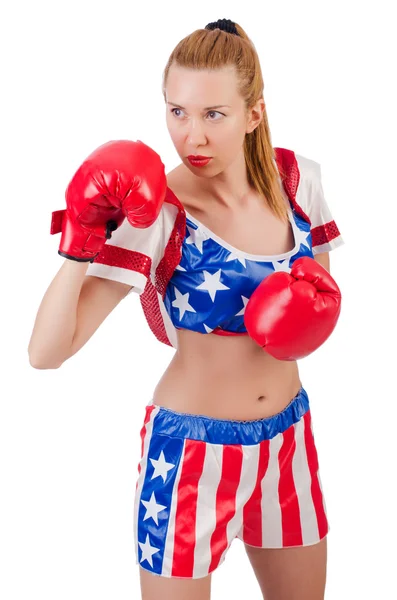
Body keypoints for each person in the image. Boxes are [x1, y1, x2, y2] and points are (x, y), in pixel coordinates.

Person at [28, 18, 345, 600]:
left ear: (254, 114)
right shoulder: (159, 213)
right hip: (190, 458)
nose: (191, 136)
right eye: (177, 112)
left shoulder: (299, 181)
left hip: (289, 440)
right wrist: (80, 241)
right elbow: (46, 354)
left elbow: (322, 292)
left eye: (212, 114)